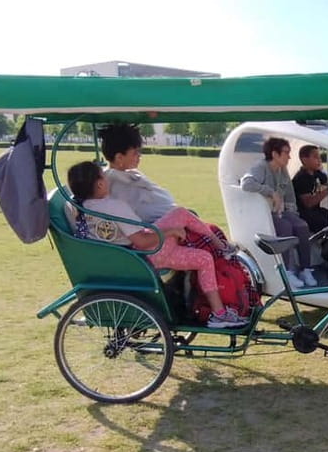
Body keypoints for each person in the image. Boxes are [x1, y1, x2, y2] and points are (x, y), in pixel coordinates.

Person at [98, 123, 257, 316]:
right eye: (135, 152)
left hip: (160, 233)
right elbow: (140, 223)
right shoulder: (114, 187)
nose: (139, 156)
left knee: (211, 233)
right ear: (119, 157)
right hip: (154, 241)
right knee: (209, 241)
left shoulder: (127, 178)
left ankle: (226, 301)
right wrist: (174, 225)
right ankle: (221, 302)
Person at [67, 161, 248, 329]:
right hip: (145, 255)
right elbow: (141, 241)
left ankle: (219, 310)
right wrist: (170, 232)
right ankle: (221, 251)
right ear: (99, 184)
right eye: (103, 176)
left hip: (127, 256)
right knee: (187, 227)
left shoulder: (78, 209)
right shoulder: (113, 207)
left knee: (190, 232)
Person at [241, 137, 316, 289]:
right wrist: (271, 192)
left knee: (301, 226)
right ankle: (287, 272)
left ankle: (305, 269)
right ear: (275, 154)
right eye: (286, 153)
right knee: (285, 227)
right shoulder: (261, 167)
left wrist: (292, 212)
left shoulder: (282, 170)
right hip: (265, 214)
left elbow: (289, 195)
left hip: (280, 211)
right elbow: (246, 183)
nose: (289, 157)